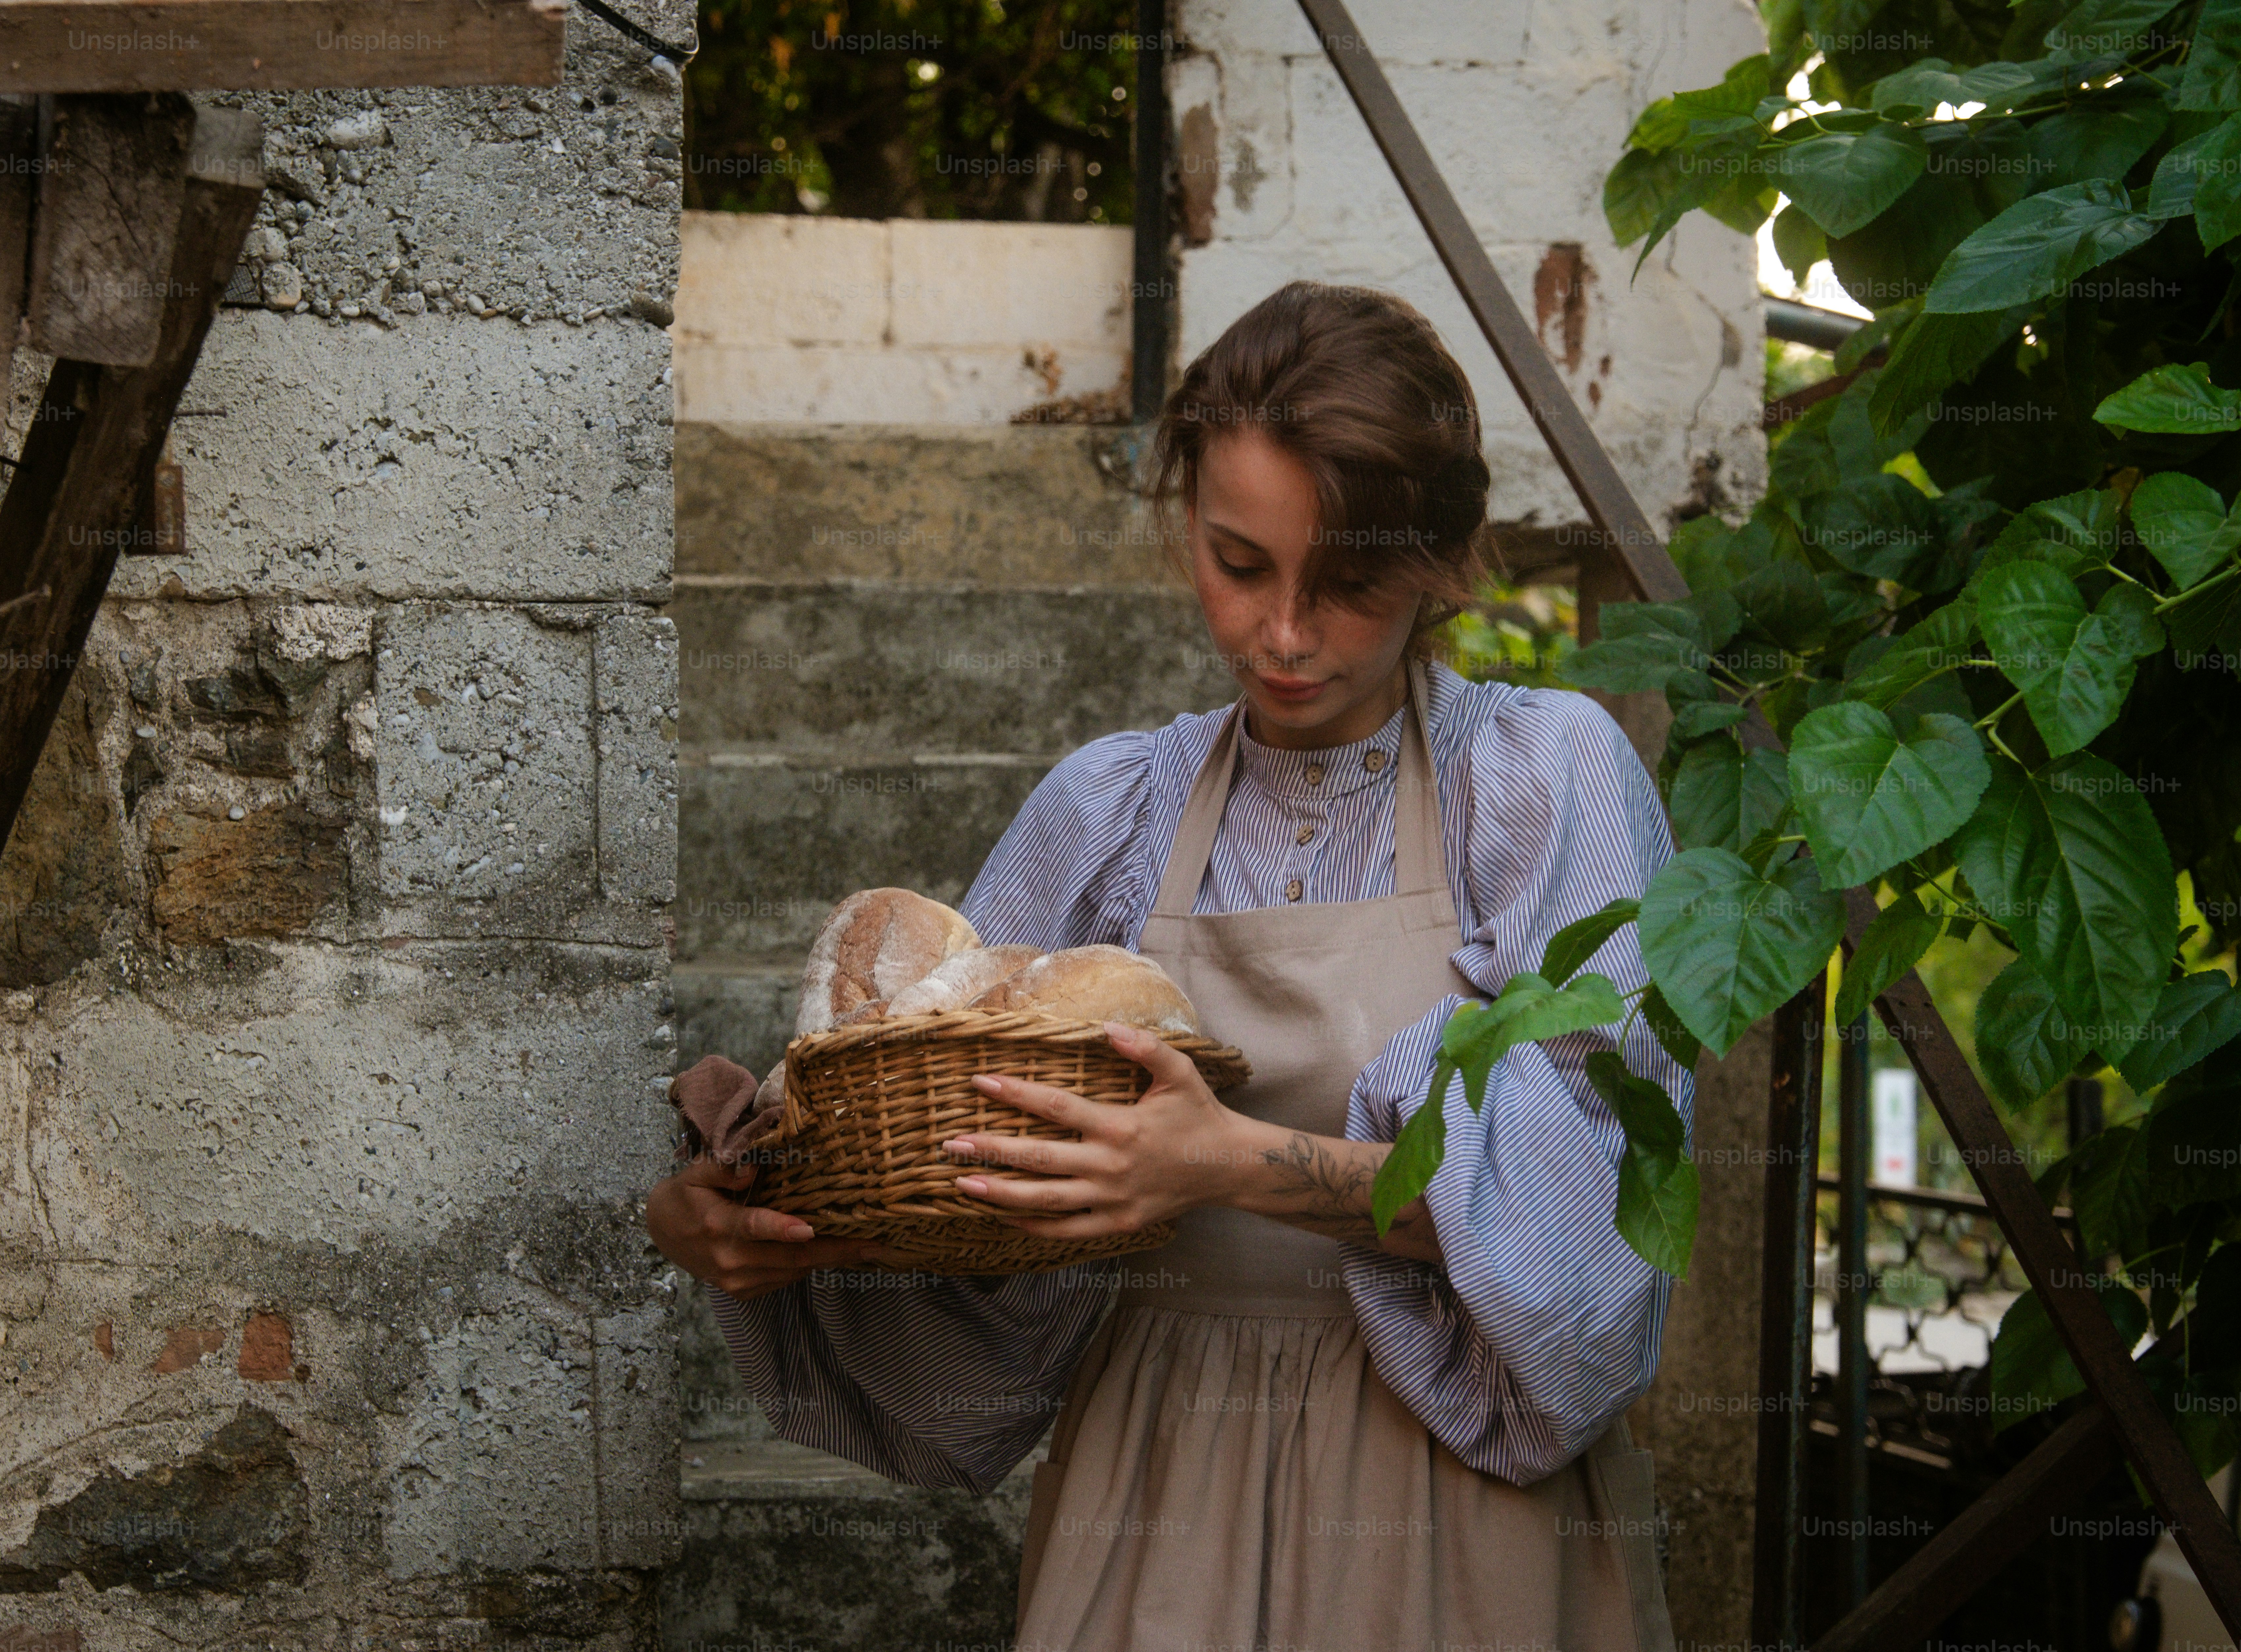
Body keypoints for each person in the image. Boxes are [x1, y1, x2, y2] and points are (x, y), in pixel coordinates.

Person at [646, 280, 1687, 1652]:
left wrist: (1224, 1167)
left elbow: (1600, 1234)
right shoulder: (1108, 811)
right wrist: (752, 1228)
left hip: (1462, 1498)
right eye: (1241, 564)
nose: (1288, 634)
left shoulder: (1549, 782)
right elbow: (947, 1170)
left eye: (1352, 583)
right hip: (1161, 1485)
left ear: (1442, 559)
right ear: (1185, 519)